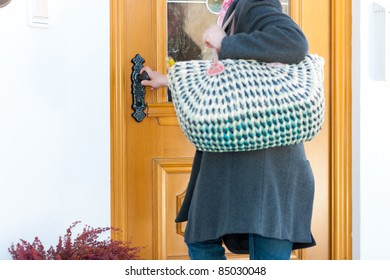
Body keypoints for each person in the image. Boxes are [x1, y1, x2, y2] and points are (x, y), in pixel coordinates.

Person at [141, 0, 316, 260]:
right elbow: (234, 73)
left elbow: (293, 44)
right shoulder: (232, 9)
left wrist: (225, 43)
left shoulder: (256, 3)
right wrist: (169, 80)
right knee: (200, 239)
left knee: (264, 254)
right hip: (235, 155)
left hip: (268, 166)